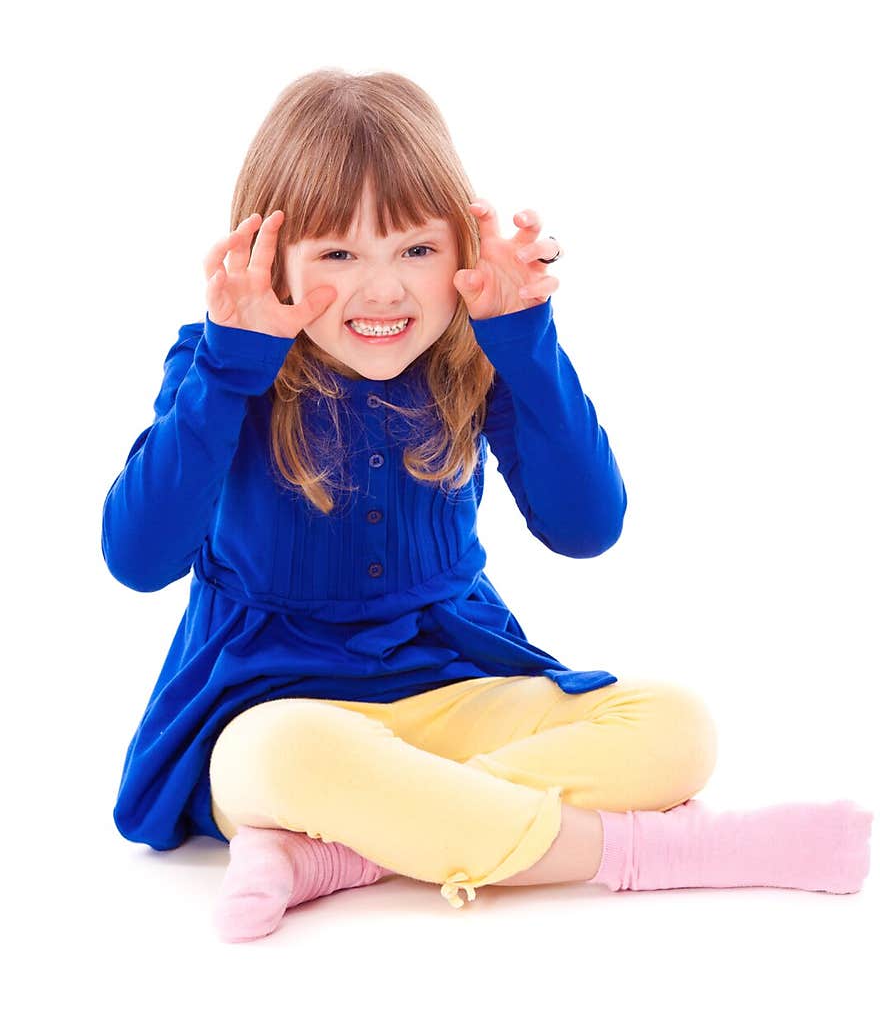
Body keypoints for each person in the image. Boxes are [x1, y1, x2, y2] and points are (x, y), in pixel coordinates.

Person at [102, 69, 872, 943]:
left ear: (460, 250)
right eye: (339, 255)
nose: (383, 291)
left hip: (452, 690)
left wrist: (523, 340)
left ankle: (345, 854)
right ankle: (652, 855)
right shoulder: (223, 363)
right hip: (280, 709)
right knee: (274, 756)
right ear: (270, 261)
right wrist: (230, 364)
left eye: (416, 251)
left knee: (675, 724)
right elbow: (138, 557)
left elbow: (587, 527)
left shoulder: (479, 351)